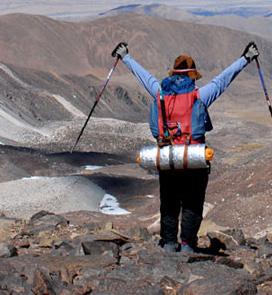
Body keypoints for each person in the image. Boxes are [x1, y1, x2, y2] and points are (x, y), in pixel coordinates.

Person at [111, 41, 259, 253]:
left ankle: (169, 244)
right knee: (192, 204)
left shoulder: (160, 92)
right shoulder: (200, 95)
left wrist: (126, 57)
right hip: (194, 158)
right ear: (192, 75)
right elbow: (223, 80)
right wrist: (245, 59)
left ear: (173, 74)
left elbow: (144, 77)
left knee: (169, 203)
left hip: (167, 157)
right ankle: (188, 245)